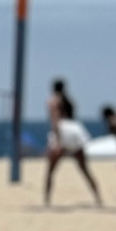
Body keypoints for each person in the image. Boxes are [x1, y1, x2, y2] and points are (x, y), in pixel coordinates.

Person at [44, 78, 102, 207]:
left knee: (51, 170)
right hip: (75, 130)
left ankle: (47, 200)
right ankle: (98, 197)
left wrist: (57, 141)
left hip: (63, 130)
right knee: (84, 169)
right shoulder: (69, 100)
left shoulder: (53, 101)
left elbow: (55, 120)